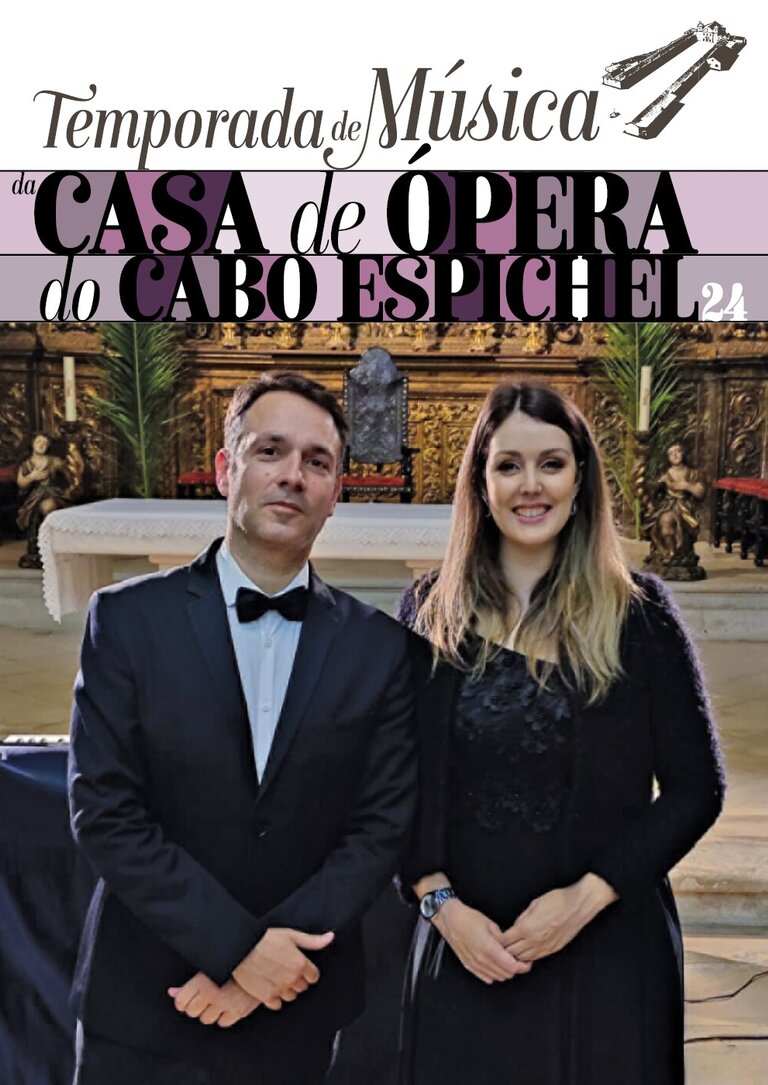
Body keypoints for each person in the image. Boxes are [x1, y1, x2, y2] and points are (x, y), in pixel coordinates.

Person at [68, 372, 416, 1085]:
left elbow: (380, 827)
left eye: (317, 461)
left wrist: (271, 967)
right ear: (227, 470)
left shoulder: (381, 648)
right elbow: (105, 811)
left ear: (336, 492)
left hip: (297, 1001)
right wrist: (237, 950)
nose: (293, 475)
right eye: (270, 451)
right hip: (145, 998)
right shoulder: (127, 620)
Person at [397, 381, 724, 1085]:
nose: (530, 485)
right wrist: (440, 904)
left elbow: (697, 787)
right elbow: (395, 781)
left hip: (606, 948)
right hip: (467, 946)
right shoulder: (430, 611)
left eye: (551, 463)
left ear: (580, 480)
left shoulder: (639, 615)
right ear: (480, 482)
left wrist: (585, 899)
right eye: (508, 465)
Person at [645, 441, 707, 580]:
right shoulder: (665, 475)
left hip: (685, 508)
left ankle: (674, 555)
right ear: (667, 457)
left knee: (670, 520)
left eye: (678, 451)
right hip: (667, 506)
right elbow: (652, 492)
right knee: (665, 521)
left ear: (683, 453)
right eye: (671, 453)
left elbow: (700, 492)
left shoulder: (693, 474)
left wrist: (687, 486)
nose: (675, 455)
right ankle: (667, 552)